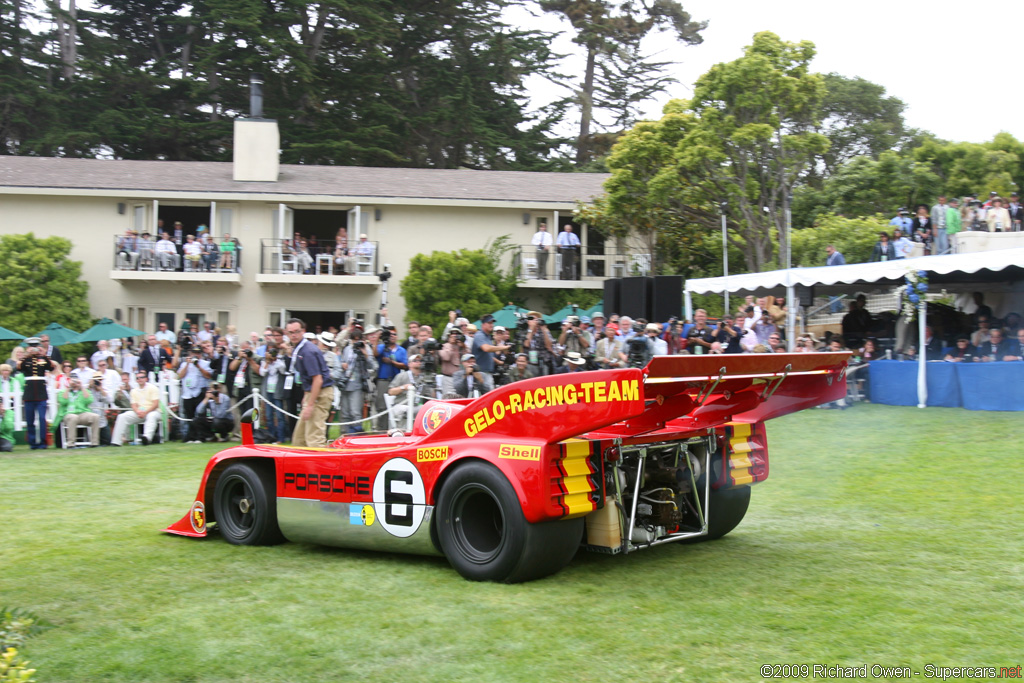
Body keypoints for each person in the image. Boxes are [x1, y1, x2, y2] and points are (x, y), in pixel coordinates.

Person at [285, 318, 335, 447]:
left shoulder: (308, 351)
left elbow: (318, 379)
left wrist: (310, 404)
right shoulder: (300, 349)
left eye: (296, 331)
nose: (294, 335)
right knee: (299, 439)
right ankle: (300, 466)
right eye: (291, 332)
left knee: (314, 439)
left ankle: (323, 466)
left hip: (320, 394)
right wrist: (306, 396)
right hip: (312, 393)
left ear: (303, 331)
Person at [19, 339, 57, 449]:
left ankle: (43, 442)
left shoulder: (43, 359)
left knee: (41, 418)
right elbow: (19, 368)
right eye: (32, 346)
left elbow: (51, 367)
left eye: (36, 346)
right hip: (29, 393)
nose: (34, 348)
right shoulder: (26, 360)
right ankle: (32, 443)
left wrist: (43, 355)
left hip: (41, 393)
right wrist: (26, 355)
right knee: (30, 420)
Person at [110, 371, 161, 446]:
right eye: (137, 378)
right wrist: (138, 412)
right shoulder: (134, 391)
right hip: (140, 412)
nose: (139, 379)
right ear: (136, 380)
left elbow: (155, 404)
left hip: (153, 411)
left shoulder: (153, 388)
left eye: (142, 377)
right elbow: (133, 405)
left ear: (146, 379)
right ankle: (116, 442)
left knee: (151, 416)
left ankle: (147, 438)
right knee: (122, 416)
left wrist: (145, 412)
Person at [373, 328, 407, 430]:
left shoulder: (401, 350)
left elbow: (405, 365)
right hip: (382, 380)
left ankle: (395, 429)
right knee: (382, 407)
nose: (392, 336)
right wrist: (377, 338)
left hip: (396, 380)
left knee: (396, 405)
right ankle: (381, 430)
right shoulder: (382, 347)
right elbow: (375, 354)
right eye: (390, 334)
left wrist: (391, 362)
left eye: (394, 334)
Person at [55, 377, 100, 447]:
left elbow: (89, 400)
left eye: (76, 381)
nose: (75, 383)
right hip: (69, 413)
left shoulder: (84, 391)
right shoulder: (63, 392)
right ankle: (71, 444)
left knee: (95, 417)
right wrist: (69, 388)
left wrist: (82, 387)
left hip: (82, 413)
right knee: (73, 417)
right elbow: (63, 401)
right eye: (73, 381)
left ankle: (94, 443)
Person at [472, 315, 510, 393]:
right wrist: (503, 347)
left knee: (490, 397)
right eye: (489, 323)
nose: (491, 325)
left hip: (488, 372)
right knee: (484, 398)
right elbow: (486, 348)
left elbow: (491, 355)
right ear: (483, 324)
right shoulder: (479, 335)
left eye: (492, 323)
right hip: (480, 373)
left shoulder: (488, 337)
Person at [387, 354, 427, 429]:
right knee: (407, 410)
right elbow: (390, 392)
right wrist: (403, 387)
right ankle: (403, 432)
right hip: (400, 405)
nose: (418, 362)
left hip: (416, 405)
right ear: (409, 364)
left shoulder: (424, 378)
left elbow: (429, 396)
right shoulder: (402, 375)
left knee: (426, 409)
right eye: (415, 361)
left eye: (420, 361)